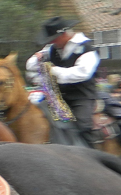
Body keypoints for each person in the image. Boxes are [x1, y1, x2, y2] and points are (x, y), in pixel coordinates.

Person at [25, 16, 100, 147]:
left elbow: (82, 73)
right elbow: (30, 65)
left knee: (83, 124)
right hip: (57, 98)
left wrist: (51, 71)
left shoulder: (87, 48)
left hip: (81, 96)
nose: (52, 42)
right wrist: (37, 59)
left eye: (54, 39)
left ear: (64, 34)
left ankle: (91, 154)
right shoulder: (52, 48)